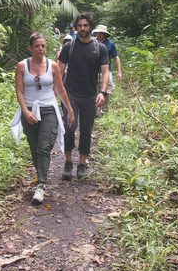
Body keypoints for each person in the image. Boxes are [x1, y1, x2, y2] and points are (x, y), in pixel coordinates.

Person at [11, 33, 75, 204]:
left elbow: (60, 89)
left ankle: (40, 185)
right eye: (37, 46)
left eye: (43, 46)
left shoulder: (53, 66)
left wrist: (69, 110)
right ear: (30, 48)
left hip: (49, 110)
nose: (41, 49)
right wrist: (25, 111)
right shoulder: (22, 66)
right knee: (34, 148)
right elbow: (19, 91)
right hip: (30, 110)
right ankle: (41, 175)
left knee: (44, 147)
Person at [57, 12, 109, 180]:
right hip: (70, 93)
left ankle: (82, 163)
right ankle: (68, 161)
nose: (82, 29)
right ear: (76, 27)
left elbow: (105, 71)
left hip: (90, 95)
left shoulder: (99, 48)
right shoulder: (69, 47)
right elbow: (59, 71)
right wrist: (57, 91)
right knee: (69, 127)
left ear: (91, 27)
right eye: (79, 26)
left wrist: (103, 91)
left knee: (86, 129)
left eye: (85, 26)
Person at [92, 25, 121, 116]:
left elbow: (115, 57)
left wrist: (119, 71)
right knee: (95, 90)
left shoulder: (110, 44)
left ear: (105, 34)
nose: (99, 35)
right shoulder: (93, 42)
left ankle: (105, 109)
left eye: (101, 33)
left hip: (107, 70)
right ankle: (96, 109)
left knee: (107, 90)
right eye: (98, 33)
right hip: (94, 70)